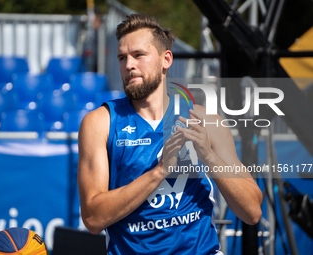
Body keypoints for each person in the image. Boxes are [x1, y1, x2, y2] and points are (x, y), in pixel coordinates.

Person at [78, 13, 262, 254]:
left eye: (138, 55)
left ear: (166, 60)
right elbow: (93, 218)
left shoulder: (204, 119)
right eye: (122, 58)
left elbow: (252, 212)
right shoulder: (100, 122)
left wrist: (209, 158)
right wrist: (159, 173)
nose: (128, 65)